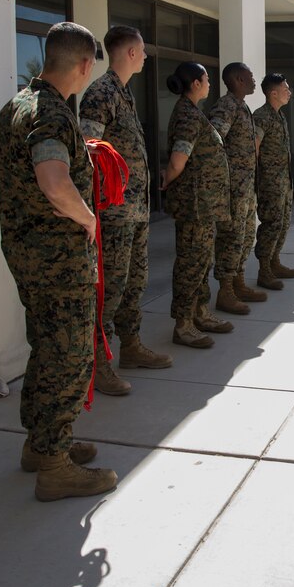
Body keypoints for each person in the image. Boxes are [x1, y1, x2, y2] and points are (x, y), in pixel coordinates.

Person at [0, 21, 118, 502]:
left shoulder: (18, 106)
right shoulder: (50, 113)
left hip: (30, 256)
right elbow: (52, 179)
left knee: (46, 347)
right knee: (68, 355)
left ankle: (41, 445)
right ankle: (55, 466)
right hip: (58, 261)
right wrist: (87, 218)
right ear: (85, 66)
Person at [79, 26, 172, 396]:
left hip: (134, 213)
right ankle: (99, 366)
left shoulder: (123, 93)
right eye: (143, 51)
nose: (147, 57)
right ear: (131, 53)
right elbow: (88, 151)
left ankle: (131, 348)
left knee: (133, 284)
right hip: (114, 215)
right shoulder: (101, 93)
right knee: (110, 292)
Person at [162, 62, 233, 348]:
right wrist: (168, 178)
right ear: (194, 83)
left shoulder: (192, 112)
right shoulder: (188, 116)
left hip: (204, 205)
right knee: (191, 264)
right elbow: (179, 159)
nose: (209, 84)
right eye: (206, 79)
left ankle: (200, 313)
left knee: (202, 262)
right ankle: (183, 325)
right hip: (195, 205)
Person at [204, 62, 266, 314]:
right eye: (250, 77)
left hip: (246, 186)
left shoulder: (242, 106)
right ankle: (226, 291)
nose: (254, 81)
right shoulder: (226, 106)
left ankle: (238, 282)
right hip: (233, 188)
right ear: (239, 79)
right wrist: (224, 179)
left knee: (246, 235)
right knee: (231, 237)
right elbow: (213, 141)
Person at [253, 73, 294, 289]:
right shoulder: (262, 116)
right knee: (271, 225)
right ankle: (264, 270)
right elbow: (255, 148)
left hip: (284, 182)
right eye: (285, 88)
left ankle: (275, 261)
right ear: (273, 93)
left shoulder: (279, 116)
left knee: (283, 223)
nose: (289, 92)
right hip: (270, 183)